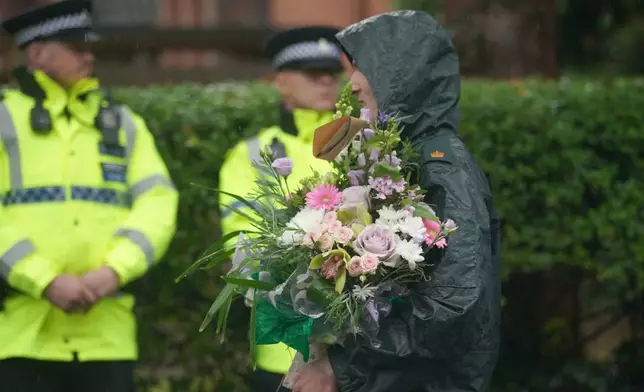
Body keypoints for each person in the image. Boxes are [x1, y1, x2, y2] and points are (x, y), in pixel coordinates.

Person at [292, 10, 502, 392]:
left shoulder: (440, 166)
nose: (352, 85)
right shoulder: (401, 158)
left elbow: (452, 307)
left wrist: (342, 363)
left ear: (403, 73)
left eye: (363, 68)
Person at [0, 1, 179, 391]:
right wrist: (43, 279)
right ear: (35, 52)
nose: (88, 55)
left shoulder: (123, 124)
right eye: (75, 47)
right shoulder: (3, 120)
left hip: (106, 339)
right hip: (19, 335)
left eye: (89, 46)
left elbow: (159, 203)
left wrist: (114, 270)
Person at [218, 26, 343, 392]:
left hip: (359, 352)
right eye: (311, 74)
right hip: (282, 349)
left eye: (331, 75)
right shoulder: (254, 153)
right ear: (281, 82)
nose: (325, 83)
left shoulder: (359, 141)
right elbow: (244, 242)